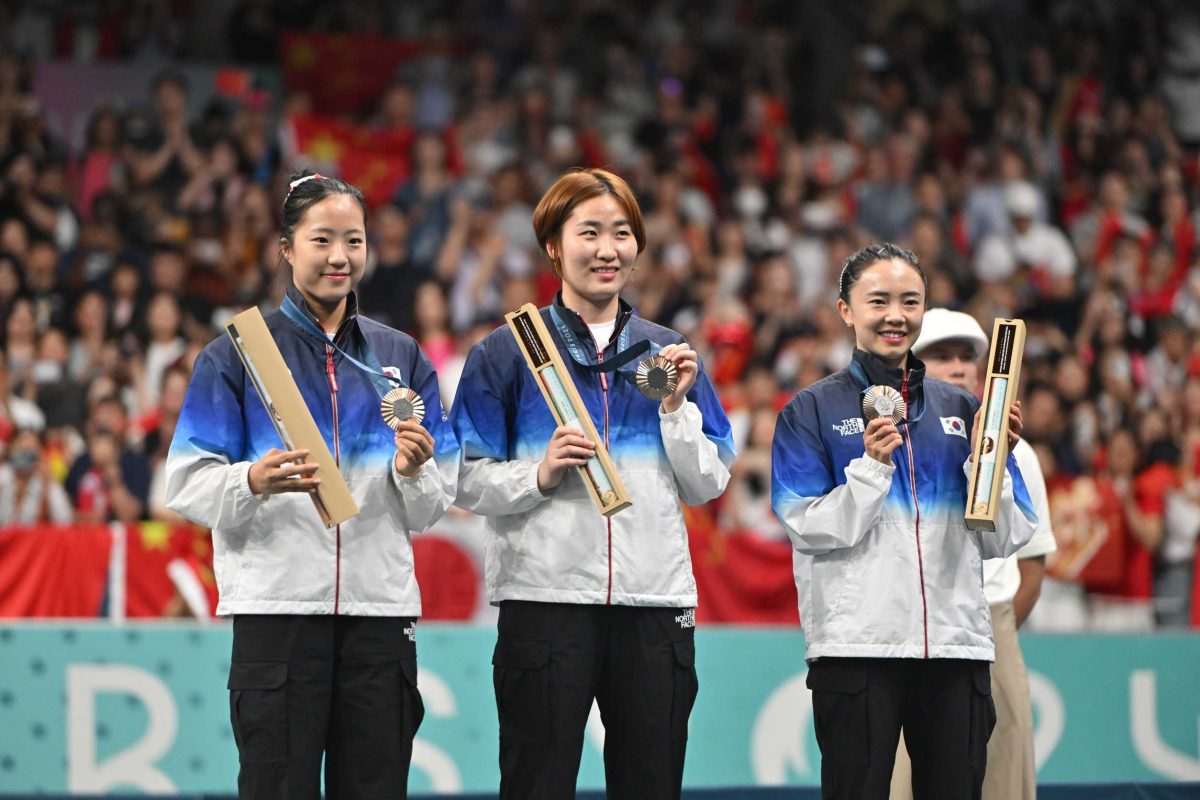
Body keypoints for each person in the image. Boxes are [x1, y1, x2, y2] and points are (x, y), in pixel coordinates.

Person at [165, 171, 458, 799]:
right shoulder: (236, 355)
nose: (338, 257)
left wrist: (412, 472)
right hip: (277, 616)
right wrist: (251, 480)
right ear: (287, 248)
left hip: (379, 617)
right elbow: (186, 483)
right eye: (322, 240)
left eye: (353, 241)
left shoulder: (400, 356)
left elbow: (435, 502)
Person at [449, 168, 735, 799]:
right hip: (544, 601)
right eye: (590, 233)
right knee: (537, 783)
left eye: (623, 233)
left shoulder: (666, 353)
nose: (608, 250)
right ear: (554, 245)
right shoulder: (506, 352)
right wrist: (540, 473)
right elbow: (462, 480)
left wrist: (674, 409)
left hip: (653, 603)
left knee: (651, 784)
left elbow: (708, 481)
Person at [770, 243, 1039, 800]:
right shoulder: (809, 411)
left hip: (955, 647)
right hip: (857, 649)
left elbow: (1006, 538)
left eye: (910, 301)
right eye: (879, 301)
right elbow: (807, 526)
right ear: (846, 310)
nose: (896, 315)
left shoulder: (966, 410)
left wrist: (991, 462)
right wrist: (870, 471)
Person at [889, 308, 1058, 800]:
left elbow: (1032, 569)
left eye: (967, 356)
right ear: (913, 364)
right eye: (942, 355)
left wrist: (994, 629)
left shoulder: (1017, 449)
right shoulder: (891, 441)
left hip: (989, 621)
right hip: (908, 622)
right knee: (904, 777)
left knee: (1002, 774)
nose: (959, 366)